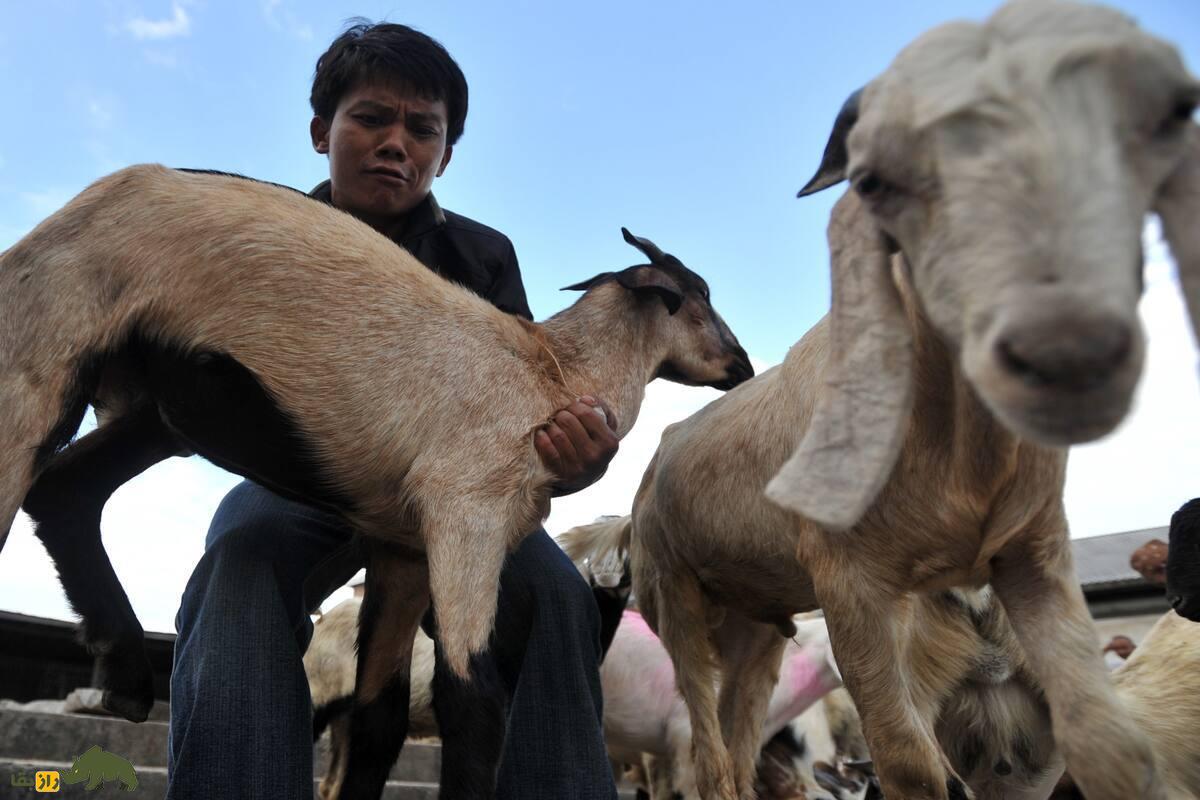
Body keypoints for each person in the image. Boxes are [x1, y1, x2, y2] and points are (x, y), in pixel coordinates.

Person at [166, 22, 619, 800]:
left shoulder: (486, 258)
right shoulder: (263, 239)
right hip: (310, 487)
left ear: (447, 153)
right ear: (321, 132)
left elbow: (524, 431)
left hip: (458, 498)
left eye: (422, 129)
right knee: (242, 552)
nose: (395, 143)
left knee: (557, 595)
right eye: (370, 118)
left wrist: (582, 460)